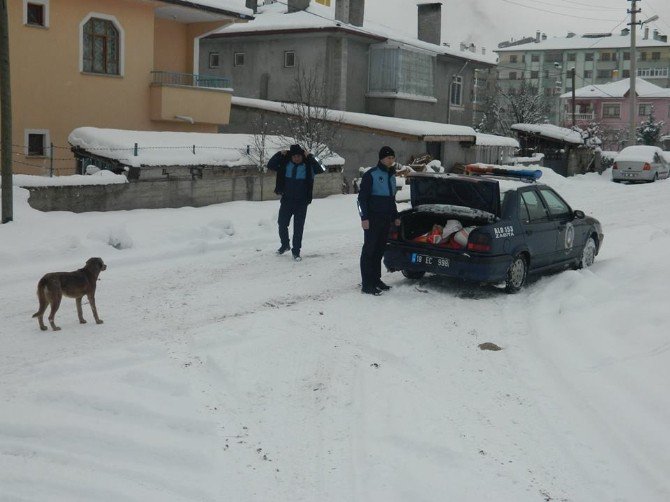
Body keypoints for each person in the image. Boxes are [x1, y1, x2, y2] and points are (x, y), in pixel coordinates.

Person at [267, 144, 326, 261]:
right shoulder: (285, 165)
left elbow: (322, 168)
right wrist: (279, 154)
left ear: (302, 156)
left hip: (301, 202)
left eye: (299, 156)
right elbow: (270, 165)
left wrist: (311, 156)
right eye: (294, 156)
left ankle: (296, 252)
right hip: (287, 200)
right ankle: (285, 245)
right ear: (291, 157)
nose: (296, 158)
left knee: (298, 228)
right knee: (282, 224)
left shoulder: (309, 166)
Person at [357, 146, 401, 295]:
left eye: (393, 158)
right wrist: (364, 218)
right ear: (381, 158)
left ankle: (376, 280)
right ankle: (367, 283)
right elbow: (361, 199)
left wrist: (395, 216)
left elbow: (391, 199)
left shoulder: (391, 176)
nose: (391, 160)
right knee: (369, 250)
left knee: (379, 250)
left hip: (386, 219)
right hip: (372, 219)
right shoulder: (371, 175)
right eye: (389, 157)